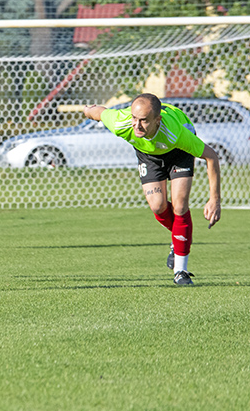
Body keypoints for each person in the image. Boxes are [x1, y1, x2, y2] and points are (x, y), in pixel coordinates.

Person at [84, 93, 221, 285]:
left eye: (144, 121)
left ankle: (180, 270)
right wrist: (87, 110)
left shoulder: (176, 133)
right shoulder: (121, 123)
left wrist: (214, 199)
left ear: (158, 120)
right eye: (134, 118)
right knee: (157, 206)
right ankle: (178, 239)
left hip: (178, 152)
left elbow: (211, 156)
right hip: (149, 155)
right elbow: (99, 112)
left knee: (180, 206)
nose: (137, 126)